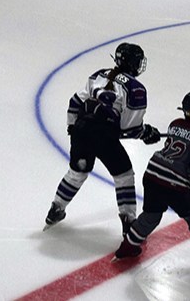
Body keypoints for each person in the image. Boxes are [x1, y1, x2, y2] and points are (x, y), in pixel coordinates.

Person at [43, 43, 162, 234]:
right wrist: (146, 133)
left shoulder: (99, 74)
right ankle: (129, 223)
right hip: (103, 135)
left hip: (81, 129)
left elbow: (75, 102)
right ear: (133, 63)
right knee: (123, 176)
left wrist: (73, 128)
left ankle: (55, 210)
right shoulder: (135, 88)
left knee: (77, 172)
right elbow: (129, 128)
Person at [115, 91, 190, 280]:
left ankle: (125, 248)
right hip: (173, 184)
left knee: (151, 215)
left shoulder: (175, 124)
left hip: (152, 173)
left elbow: (188, 141)